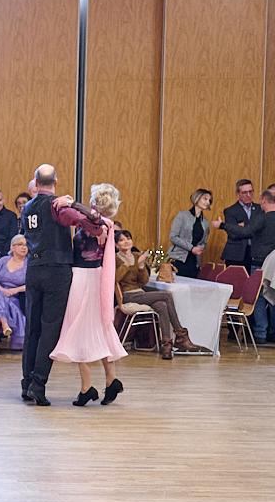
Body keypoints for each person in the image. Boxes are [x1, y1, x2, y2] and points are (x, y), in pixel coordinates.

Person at [20, 164, 106, 407]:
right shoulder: (58, 206)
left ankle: (26, 384)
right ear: (55, 180)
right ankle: (38, 384)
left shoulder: (26, 208)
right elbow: (93, 224)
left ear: (36, 182)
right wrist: (73, 204)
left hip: (33, 270)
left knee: (32, 329)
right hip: (56, 271)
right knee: (49, 329)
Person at [49, 184, 127, 406]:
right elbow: (89, 217)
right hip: (92, 277)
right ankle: (110, 380)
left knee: (80, 329)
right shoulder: (102, 223)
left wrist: (71, 203)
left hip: (85, 278)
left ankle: (87, 388)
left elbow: (91, 217)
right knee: (95, 329)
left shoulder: (101, 224)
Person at [117, 229, 201, 358]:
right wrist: (127, 265)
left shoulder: (136, 255)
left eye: (128, 238)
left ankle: (166, 346)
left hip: (139, 292)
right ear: (117, 245)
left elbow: (143, 281)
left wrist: (140, 267)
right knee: (166, 295)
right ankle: (180, 336)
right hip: (127, 295)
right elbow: (114, 279)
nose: (126, 242)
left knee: (161, 305)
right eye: (122, 240)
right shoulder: (115, 259)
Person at [212, 188, 275, 343]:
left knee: (258, 297)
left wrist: (223, 226)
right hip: (274, 262)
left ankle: (260, 333)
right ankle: (273, 332)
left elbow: (245, 231)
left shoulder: (263, 218)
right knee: (273, 296)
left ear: (264, 201)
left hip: (260, 262)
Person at [169, 188, 213, 278]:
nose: (208, 202)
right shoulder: (182, 215)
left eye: (209, 200)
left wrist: (200, 248)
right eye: (205, 199)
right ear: (197, 198)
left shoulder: (205, 222)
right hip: (178, 259)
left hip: (194, 261)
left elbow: (204, 242)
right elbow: (173, 237)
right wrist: (191, 248)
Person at [220, 179, 261, 271]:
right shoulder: (230, 211)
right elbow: (233, 234)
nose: (248, 195)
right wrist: (252, 228)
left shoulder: (260, 209)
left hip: (256, 254)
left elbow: (262, 231)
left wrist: (242, 227)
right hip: (236, 255)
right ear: (238, 194)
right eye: (244, 192)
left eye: (251, 192)